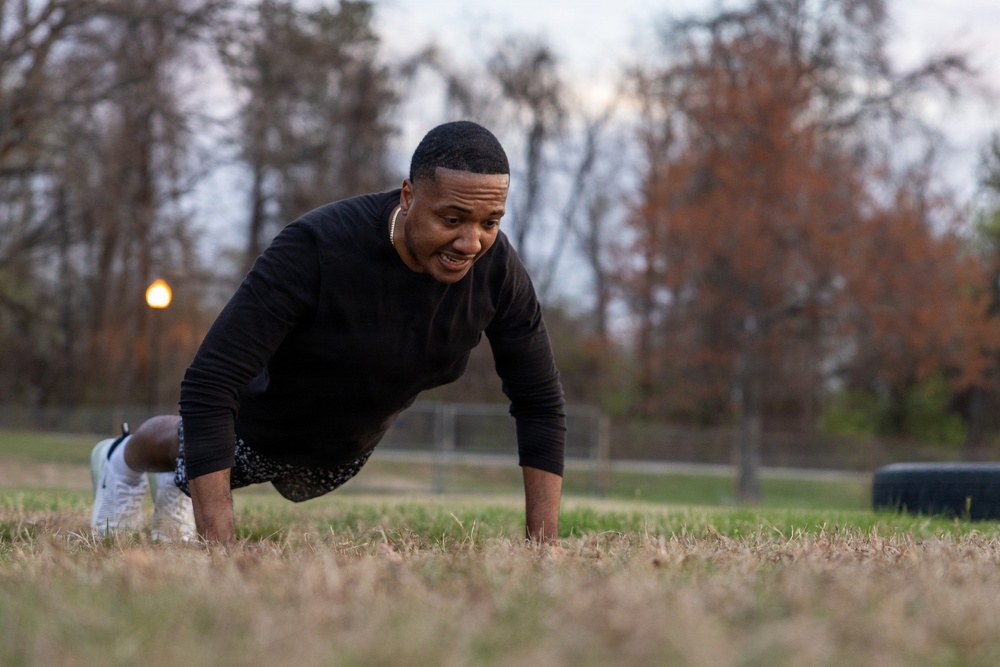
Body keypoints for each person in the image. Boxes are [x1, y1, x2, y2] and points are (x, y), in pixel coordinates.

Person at [90, 120, 566, 544]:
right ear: (408, 196)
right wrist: (221, 552)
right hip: (262, 420)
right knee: (202, 442)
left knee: (234, 459)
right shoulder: (315, 246)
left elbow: (540, 401)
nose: (471, 242)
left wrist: (543, 553)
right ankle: (121, 459)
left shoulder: (498, 270)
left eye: (490, 222)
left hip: (345, 446)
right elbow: (210, 382)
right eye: (452, 219)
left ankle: (179, 481)